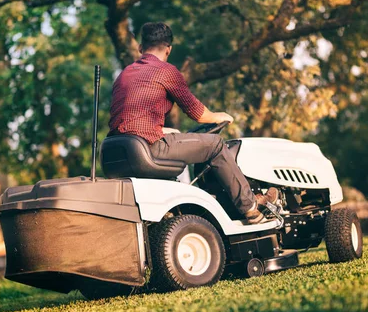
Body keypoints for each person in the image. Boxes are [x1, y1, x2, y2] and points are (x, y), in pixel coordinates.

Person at [108, 22, 276, 224]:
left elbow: (130, 119)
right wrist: (218, 116)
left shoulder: (124, 74)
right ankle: (250, 207)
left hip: (118, 151)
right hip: (148, 147)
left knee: (180, 135)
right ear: (168, 49)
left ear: (141, 48)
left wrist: (166, 130)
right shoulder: (165, 71)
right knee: (215, 145)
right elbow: (198, 113)